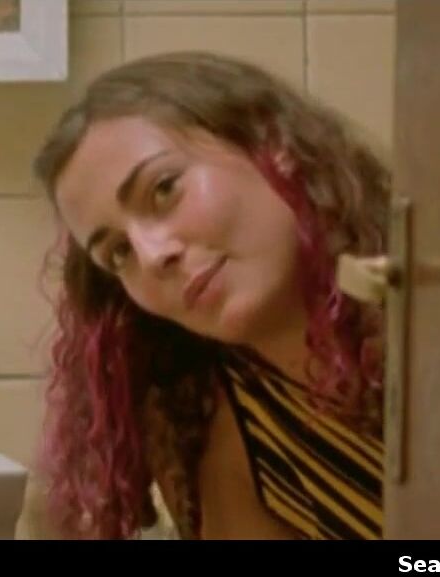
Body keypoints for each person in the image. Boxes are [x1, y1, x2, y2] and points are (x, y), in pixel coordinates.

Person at [28, 51, 390, 540]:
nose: (152, 255)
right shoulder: (218, 427)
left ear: (273, 146)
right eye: (118, 252)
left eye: (163, 190)